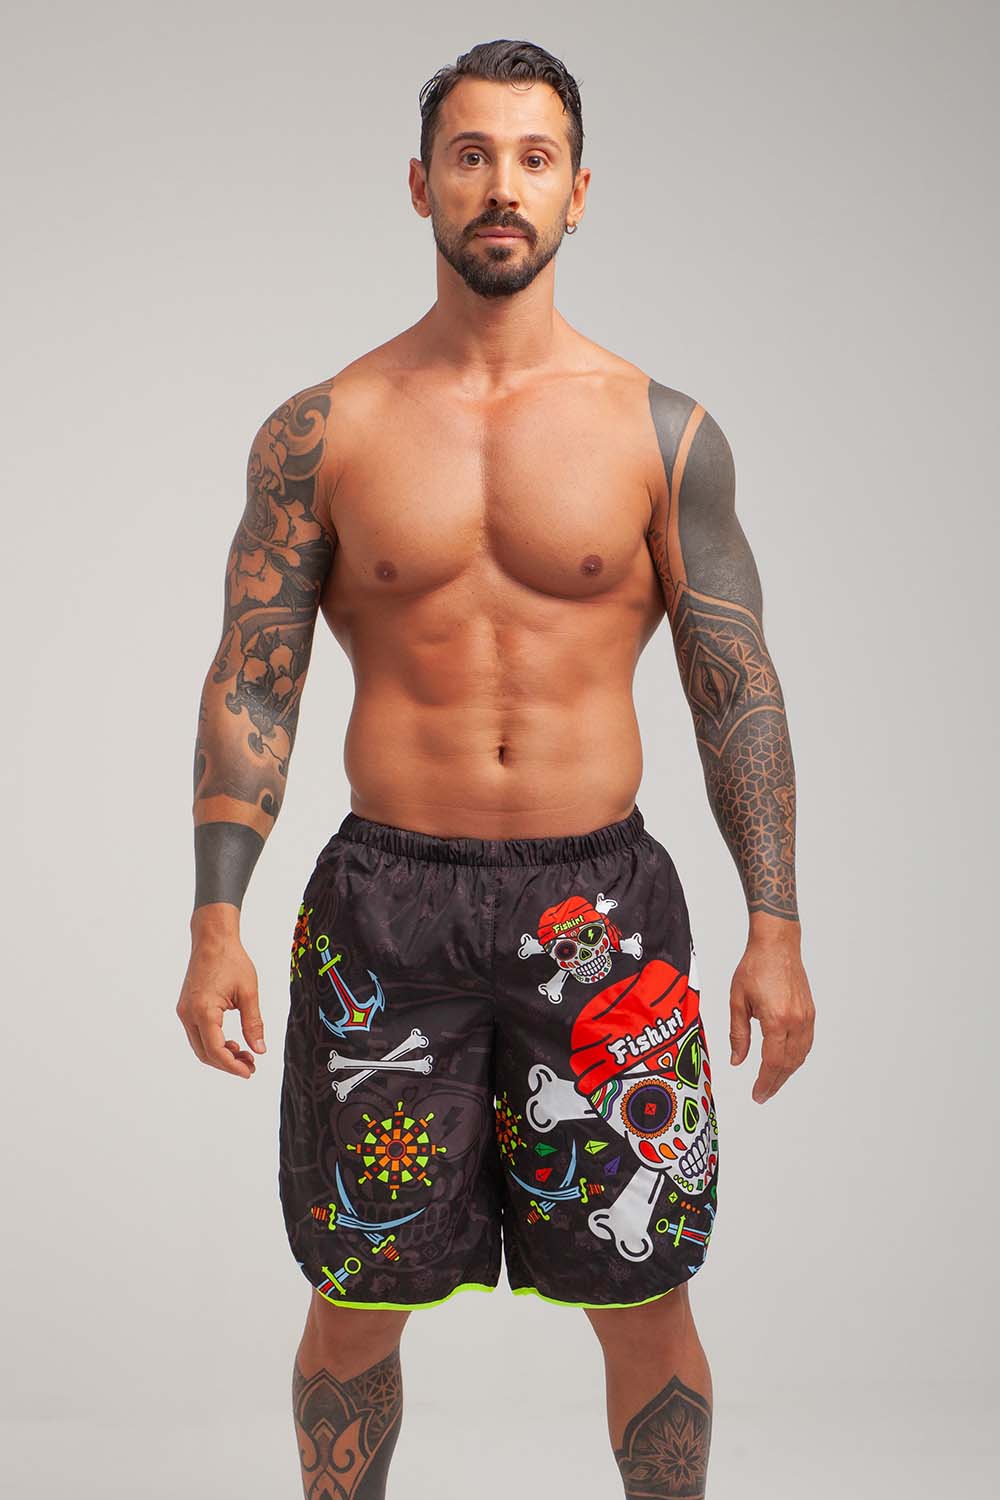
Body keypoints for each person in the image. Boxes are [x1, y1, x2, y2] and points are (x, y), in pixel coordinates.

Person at [177, 37, 815, 1500]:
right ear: (421, 185)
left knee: (645, 1288)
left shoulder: (663, 434)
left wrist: (775, 925)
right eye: (471, 156)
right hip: (386, 907)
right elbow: (253, 675)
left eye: (534, 158)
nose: (502, 186)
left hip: (603, 911)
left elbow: (737, 687)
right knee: (355, 1288)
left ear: (580, 192)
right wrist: (216, 917)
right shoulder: (324, 431)